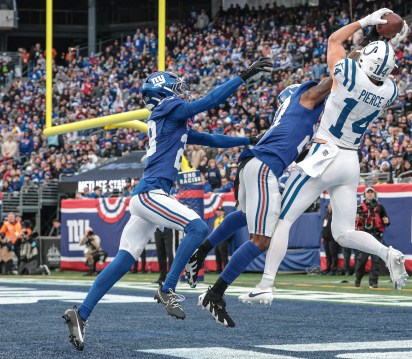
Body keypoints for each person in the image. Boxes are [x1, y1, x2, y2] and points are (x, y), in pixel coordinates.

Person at [63, 58, 273, 351]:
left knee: (124, 260)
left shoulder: (170, 118)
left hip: (148, 195)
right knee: (198, 228)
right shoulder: (168, 109)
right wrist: (243, 76)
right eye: (176, 88)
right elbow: (209, 101)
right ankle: (167, 287)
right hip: (151, 193)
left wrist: (249, 139)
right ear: (162, 93)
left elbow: (211, 138)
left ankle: (80, 313)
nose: (181, 93)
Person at [240, 8, 408, 307]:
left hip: (324, 153)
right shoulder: (390, 91)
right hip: (350, 160)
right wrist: (391, 40)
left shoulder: (348, 72)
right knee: (344, 232)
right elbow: (382, 66)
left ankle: (266, 284)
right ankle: (387, 253)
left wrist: (365, 22)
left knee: (282, 220)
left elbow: (334, 41)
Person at [191, 75, 334, 327]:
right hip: (264, 167)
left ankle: (201, 251)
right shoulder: (304, 102)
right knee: (262, 240)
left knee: (246, 215)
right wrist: (357, 58)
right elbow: (331, 81)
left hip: (251, 164)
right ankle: (215, 294)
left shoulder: (289, 116)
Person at [354, 187, 389, 288]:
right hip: (364, 236)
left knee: (376, 260)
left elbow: (385, 220)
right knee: (362, 260)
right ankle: (358, 278)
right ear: (364, 194)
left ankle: (373, 282)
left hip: (376, 235)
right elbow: (354, 223)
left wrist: (387, 221)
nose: (370, 194)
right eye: (368, 193)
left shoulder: (380, 207)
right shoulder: (359, 207)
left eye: (371, 193)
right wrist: (355, 218)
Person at [322, 203, 339, 275]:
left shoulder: (336, 215)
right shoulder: (326, 214)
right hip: (326, 238)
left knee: (333, 254)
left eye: (331, 205)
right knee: (328, 254)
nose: (330, 207)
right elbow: (324, 225)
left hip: (333, 238)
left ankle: (333, 269)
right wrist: (323, 236)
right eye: (329, 205)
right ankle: (328, 268)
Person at [212, 208, 230, 273]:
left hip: (223, 239)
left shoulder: (225, 219)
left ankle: (227, 270)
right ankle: (219, 269)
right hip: (216, 239)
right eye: (218, 211)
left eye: (220, 211)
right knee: (217, 254)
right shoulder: (216, 220)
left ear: (223, 212)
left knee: (223, 255)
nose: (219, 212)